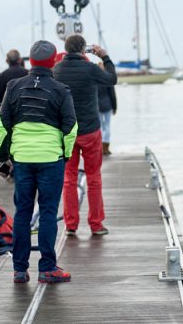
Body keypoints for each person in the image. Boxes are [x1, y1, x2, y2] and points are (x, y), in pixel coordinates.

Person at [0, 40, 76, 283]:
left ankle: (19, 270)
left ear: (30, 60)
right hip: (51, 159)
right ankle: (47, 268)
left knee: (22, 212)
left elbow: (3, 124)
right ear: (53, 61)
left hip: (22, 159)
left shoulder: (13, 86)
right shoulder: (61, 90)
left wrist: (3, 157)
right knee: (49, 213)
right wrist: (66, 155)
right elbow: (70, 128)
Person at [53, 35, 116, 237]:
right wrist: (105, 57)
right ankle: (96, 224)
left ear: (66, 49)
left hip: (67, 132)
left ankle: (71, 224)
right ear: (84, 50)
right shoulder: (90, 68)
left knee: (69, 179)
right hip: (90, 131)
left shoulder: (57, 70)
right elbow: (112, 79)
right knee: (94, 178)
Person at [0, 49, 28, 132]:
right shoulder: (27, 73)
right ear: (20, 59)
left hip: (6, 114)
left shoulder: (2, 76)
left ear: (7, 60)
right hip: (25, 115)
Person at [96, 62, 117, 156]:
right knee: (107, 126)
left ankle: (100, 147)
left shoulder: (94, 79)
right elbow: (112, 95)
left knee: (99, 127)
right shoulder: (107, 78)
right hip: (107, 105)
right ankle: (106, 147)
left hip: (97, 105)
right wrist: (115, 107)